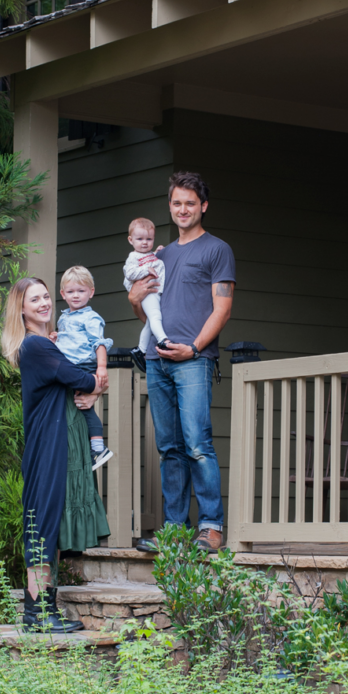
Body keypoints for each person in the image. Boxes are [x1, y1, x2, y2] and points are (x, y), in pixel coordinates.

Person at [128, 172, 235, 554]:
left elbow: (222, 309)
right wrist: (134, 300)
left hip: (193, 360)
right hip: (158, 360)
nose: (183, 209)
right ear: (169, 207)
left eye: (190, 203)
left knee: (198, 445)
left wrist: (194, 347)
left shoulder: (216, 249)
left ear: (203, 206)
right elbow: (150, 314)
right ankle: (175, 530)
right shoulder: (160, 255)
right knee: (169, 448)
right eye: (176, 203)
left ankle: (211, 527)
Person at [1, 277, 110, 632]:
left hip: (52, 443)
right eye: (35, 299)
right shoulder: (37, 347)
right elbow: (80, 378)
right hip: (47, 446)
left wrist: (90, 387)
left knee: (48, 527)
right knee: (41, 528)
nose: (45, 303)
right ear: (21, 309)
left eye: (47, 296)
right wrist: (95, 385)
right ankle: (36, 614)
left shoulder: (47, 343)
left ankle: (45, 609)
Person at [52, 265, 114, 471]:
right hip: (68, 366)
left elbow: (99, 343)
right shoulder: (63, 318)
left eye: (81, 291)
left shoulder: (91, 317)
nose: (76, 296)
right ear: (63, 294)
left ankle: (98, 448)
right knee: (77, 405)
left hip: (83, 366)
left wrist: (101, 368)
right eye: (70, 291)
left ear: (91, 292)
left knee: (84, 406)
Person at [122, 217, 169, 370]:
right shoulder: (133, 257)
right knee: (156, 316)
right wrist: (145, 270)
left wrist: (157, 253)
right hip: (147, 291)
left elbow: (151, 260)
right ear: (131, 240)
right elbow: (129, 273)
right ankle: (163, 340)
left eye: (149, 239)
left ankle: (140, 349)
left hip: (154, 291)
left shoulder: (148, 254)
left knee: (150, 321)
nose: (144, 242)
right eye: (140, 238)